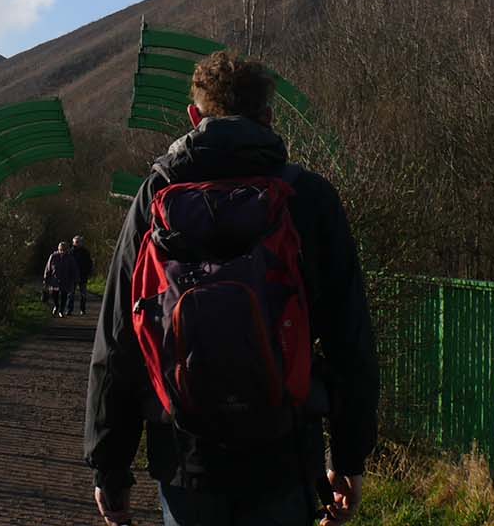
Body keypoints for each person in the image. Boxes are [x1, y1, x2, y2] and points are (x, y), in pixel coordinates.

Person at [84, 51, 379, 526]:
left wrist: (109, 464)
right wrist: (348, 458)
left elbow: (120, 335)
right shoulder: (307, 197)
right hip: (284, 450)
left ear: (194, 117)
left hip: (185, 455)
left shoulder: (157, 194)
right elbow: (350, 338)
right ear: (267, 117)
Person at [44, 241, 79, 317]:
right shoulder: (53, 256)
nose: (62, 252)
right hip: (55, 280)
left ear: (67, 250)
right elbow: (48, 268)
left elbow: (74, 269)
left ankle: (61, 310)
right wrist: (46, 278)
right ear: (58, 249)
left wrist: (75, 279)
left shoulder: (70, 258)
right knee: (54, 295)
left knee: (64, 295)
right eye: (61, 250)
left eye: (64, 250)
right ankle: (56, 305)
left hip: (66, 280)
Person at [71, 234, 93, 315]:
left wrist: (89, 272)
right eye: (76, 242)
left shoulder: (86, 252)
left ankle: (82, 309)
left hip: (83, 275)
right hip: (73, 276)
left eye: (79, 242)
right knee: (71, 294)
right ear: (73, 243)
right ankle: (70, 309)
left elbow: (89, 263)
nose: (78, 243)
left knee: (83, 294)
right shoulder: (71, 252)